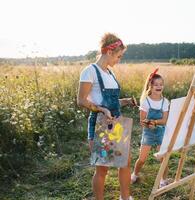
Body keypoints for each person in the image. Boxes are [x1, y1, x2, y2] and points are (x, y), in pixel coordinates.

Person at [77, 33, 135, 200]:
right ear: (109, 52)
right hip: (100, 125)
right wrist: (102, 110)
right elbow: (81, 100)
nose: (119, 60)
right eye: (119, 56)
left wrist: (124, 101)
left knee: (125, 161)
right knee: (102, 168)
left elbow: (112, 101)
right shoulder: (90, 71)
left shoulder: (110, 73)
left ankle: (125, 197)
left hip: (116, 123)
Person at [131, 68, 169, 188]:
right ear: (150, 86)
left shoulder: (165, 102)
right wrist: (148, 123)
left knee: (163, 158)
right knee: (142, 159)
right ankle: (135, 174)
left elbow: (165, 120)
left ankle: (163, 179)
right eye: (156, 84)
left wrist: (155, 122)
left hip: (161, 132)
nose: (159, 86)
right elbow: (142, 121)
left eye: (161, 84)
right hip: (148, 133)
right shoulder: (146, 101)